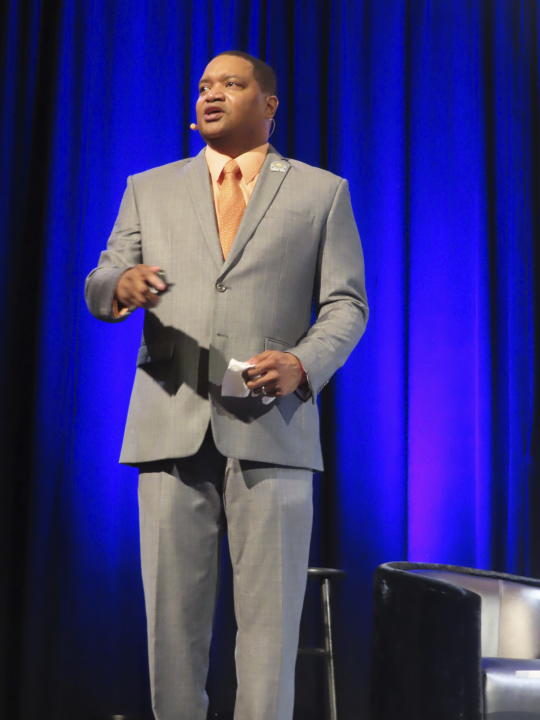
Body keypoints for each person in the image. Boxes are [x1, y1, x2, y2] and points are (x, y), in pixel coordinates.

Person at [85, 50, 368, 720]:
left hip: (273, 428)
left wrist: (303, 363)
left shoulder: (321, 193)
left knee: (269, 633)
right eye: (204, 86)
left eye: (231, 84)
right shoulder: (148, 188)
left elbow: (347, 304)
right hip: (169, 423)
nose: (210, 94)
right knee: (172, 630)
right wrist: (118, 288)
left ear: (269, 104)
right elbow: (102, 280)